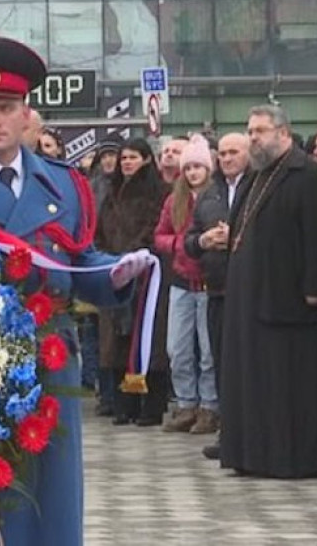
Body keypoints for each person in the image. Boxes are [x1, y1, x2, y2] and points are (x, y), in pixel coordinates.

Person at [0, 36, 147, 546]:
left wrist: (115, 274)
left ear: (27, 114)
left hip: (49, 357)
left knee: (50, 493)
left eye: (6, 107)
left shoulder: (64, 185)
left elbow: (78, 258)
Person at [221, 104, 317, 478]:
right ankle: (251, 453)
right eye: (250, 130)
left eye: (260, 131)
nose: (253, 137)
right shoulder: (255, 177)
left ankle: (289, 457)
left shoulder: (309, 176)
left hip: (289, 303)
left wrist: (315, 290)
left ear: (284, 133)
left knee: (287, 387)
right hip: (248, 301)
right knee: (253, 382)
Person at [184, 133, 250, 458]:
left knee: (247, 364)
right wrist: (203, 241)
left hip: (250, 291)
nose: (226, 159)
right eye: (222, 154)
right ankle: (230, 432)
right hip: (217, 288)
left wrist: (235, 236)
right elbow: (189, 239)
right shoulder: (211, 193)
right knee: (222, 360)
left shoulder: (256, 188)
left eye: (233, 152)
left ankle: (250, 433)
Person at [96, 139, 169, 425]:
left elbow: (155, 228)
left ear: (147, 160)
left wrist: (136, 256)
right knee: (118, 344)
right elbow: (99, 231)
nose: (126, 162)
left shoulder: (158, 193)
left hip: (147, 275)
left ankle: (151, 406)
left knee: (148, 339)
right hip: (115, 274)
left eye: (133, 157)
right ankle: (124, 404)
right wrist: (106, 259)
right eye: (124, 157)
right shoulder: (111, 193)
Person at [154, 135, 218, 434]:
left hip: (206, 281)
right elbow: (160, 236)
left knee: (208, 351)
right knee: (177, 349)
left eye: (198, 166)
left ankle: (209, 406)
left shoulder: (216, 197)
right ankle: (185, 403)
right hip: (181, 281)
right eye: (188, 167)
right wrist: (181, 243)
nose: (193, 172)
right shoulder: (173, 201)